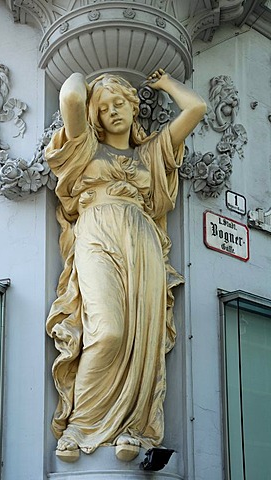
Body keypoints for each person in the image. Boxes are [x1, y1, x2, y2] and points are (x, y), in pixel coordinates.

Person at [45, 69, 206, 460]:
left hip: (143, 243)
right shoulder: (85, 148)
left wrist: (165, 83)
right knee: (109, 331)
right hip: (97, 234)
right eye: (103, 108)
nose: (113, 111)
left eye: (120, 103)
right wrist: (88, 79)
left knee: (142, 340)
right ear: (94, 117)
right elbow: (69, 95)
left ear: (134, 109)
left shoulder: (150, 153)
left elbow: (197, 107)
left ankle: (131, 428)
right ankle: (80, 424)